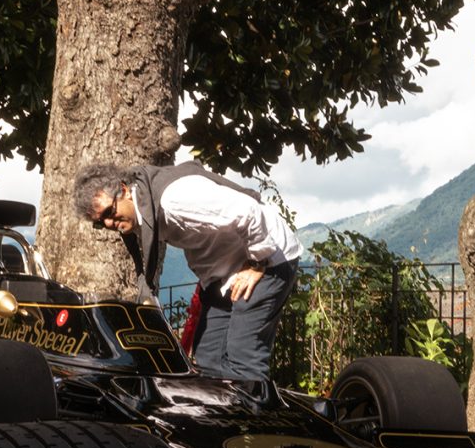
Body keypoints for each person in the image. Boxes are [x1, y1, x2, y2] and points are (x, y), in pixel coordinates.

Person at [73, 161, 303, 381]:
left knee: (243, 359)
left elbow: (248, 211)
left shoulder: (175, 199)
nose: (110, 224)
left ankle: (254, 419)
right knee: (209, 359)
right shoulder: (146, 204)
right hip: (224, 274)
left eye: (109, 212)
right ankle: (222, 420)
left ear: (123, 190)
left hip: (267, 260)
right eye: (100, 222)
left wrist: (257, 262)